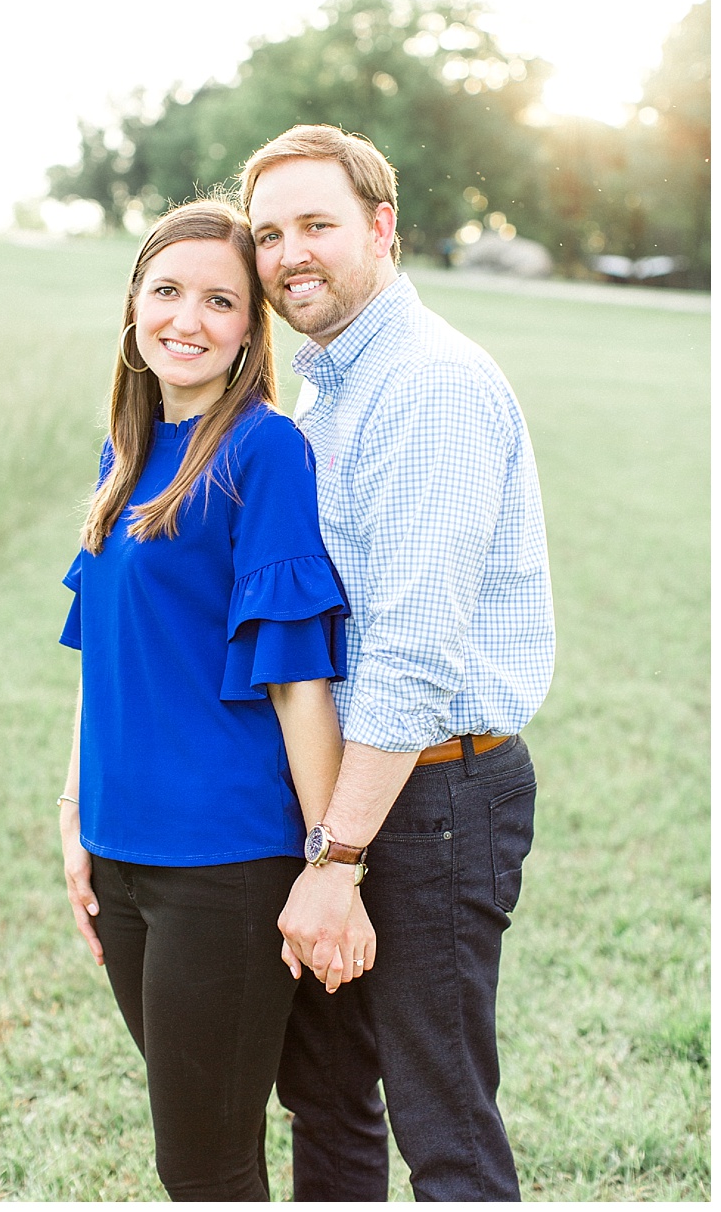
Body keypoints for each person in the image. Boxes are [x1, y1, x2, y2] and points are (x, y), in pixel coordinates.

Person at [242, 125, 554, 1201]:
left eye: (317, 224)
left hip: (431, 799)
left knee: (444, 1123)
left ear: (382, 227)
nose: (290, 254)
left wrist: (336, 864)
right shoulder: (325, 391)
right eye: (269, 233)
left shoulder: (428, 387)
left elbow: (416, 656)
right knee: (327, 1106)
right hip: (348, 798)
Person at [57, 199, 364, 1200]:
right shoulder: (123, 451)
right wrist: (73, 816)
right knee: (196, 1147)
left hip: (222, 866)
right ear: (134, 305)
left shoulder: (263, 452)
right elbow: (100, 658)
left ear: (249, 327)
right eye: (168, 291)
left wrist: (331, 867)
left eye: (220, 300)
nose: (187, 319)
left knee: (207, 1166)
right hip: (120, 853)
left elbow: (299, 680)